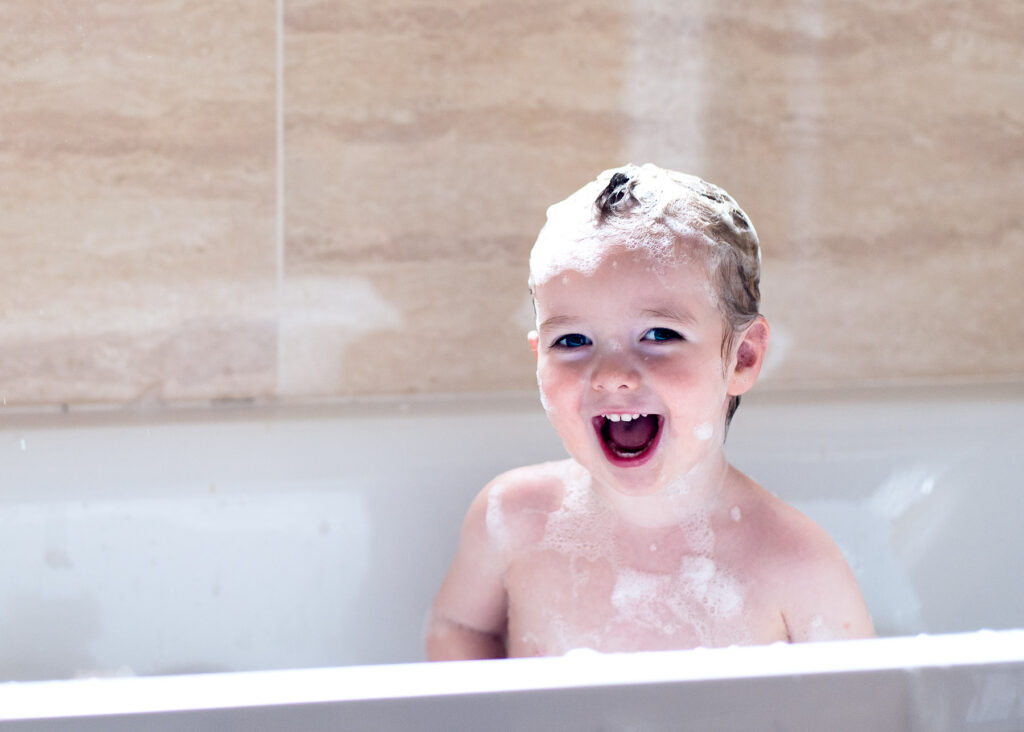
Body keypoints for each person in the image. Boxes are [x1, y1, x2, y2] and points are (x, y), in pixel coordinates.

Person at [426, 164, 874, 660]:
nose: (610, 373)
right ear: (538, 359)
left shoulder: (796, 566)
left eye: (660, 335)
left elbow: (865, 708)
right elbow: (460, 627)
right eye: (572, 340)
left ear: (742, 357)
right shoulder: (515, 516)